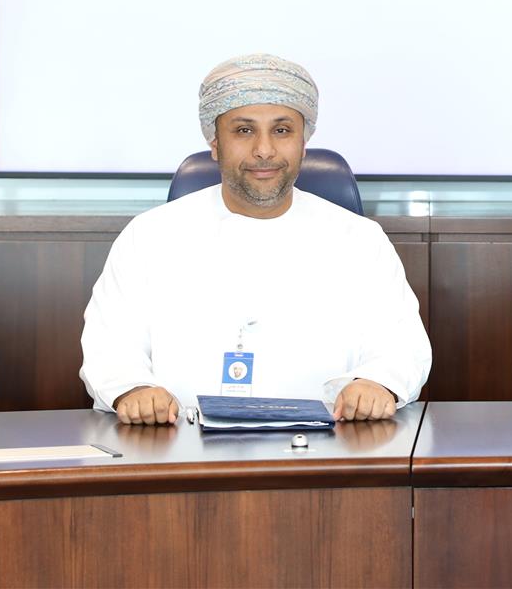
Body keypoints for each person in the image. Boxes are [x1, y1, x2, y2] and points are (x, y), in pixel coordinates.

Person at [81, 53, 431, 423]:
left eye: (282, 131)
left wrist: (376, 383)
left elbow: (401, 347)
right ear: (215, 143)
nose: (264, 150)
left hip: (327, 443)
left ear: (302, 143)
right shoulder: (149, 236)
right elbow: (110, 346)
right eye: (244, 131)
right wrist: (134, 390)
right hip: (178, 440)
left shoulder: (359, 240)